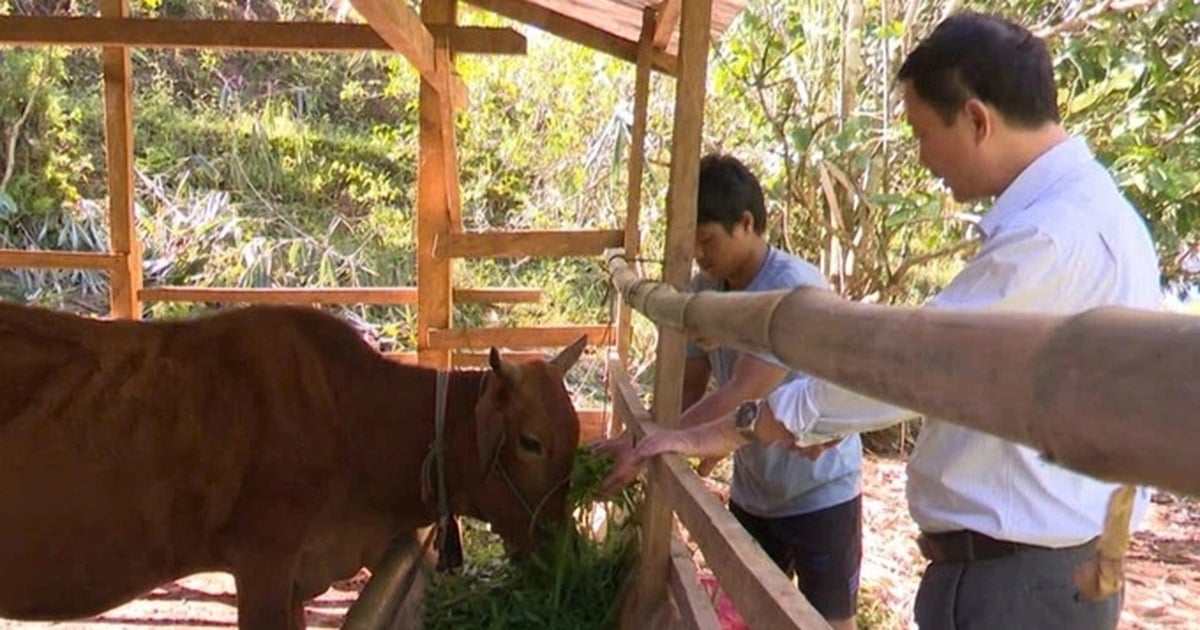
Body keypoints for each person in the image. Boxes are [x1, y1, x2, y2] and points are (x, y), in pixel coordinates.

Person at [599, 12, 1162, 630]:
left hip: (1019, 583)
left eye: (923, 133)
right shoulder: (1094, 215)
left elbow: (919, 364)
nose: (922, 158)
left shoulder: (1050, 239)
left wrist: (760, 421)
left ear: (977, 120)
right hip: (1027, 569)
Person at [680, 153, 864, 629]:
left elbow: (743, 391)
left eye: (708, 240)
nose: (700, 253)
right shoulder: (706, 288)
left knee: (828, 621)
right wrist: (685, 444)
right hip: (755, 488)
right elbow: (692, 376)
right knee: (743, 609)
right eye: (694, 242)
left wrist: (667, 439)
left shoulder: (791, 290)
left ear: (746, 223)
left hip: (819, 489)